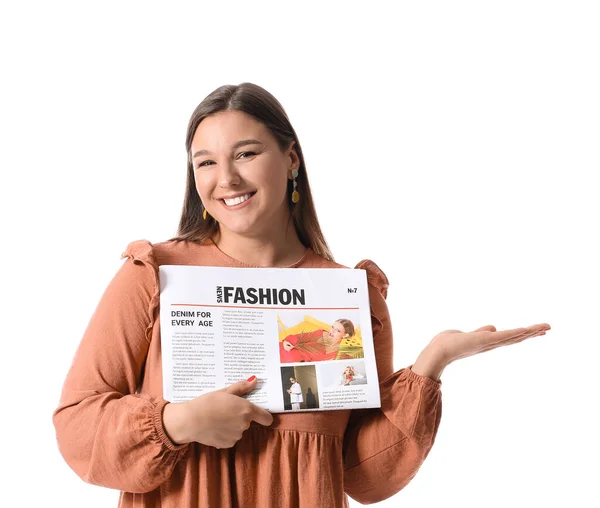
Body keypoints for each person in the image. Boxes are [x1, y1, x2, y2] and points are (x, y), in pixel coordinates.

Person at [52, 82, 551, 508]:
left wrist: (431, 365)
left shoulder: (346, 295)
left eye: (246, 153)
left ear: (291, 159)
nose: (225, 179)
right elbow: (76, 426)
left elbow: (362, 473)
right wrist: (176, 422)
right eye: (205, 162)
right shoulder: (154, 274)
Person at [279, 318, 356, 363]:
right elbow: (298, 337)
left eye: (338, 330)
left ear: (345, 335)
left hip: (295, 363)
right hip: (286, 351)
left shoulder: (339, 353)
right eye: (332, 327)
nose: (332, 331)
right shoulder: (321, 334)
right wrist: (286, 342)